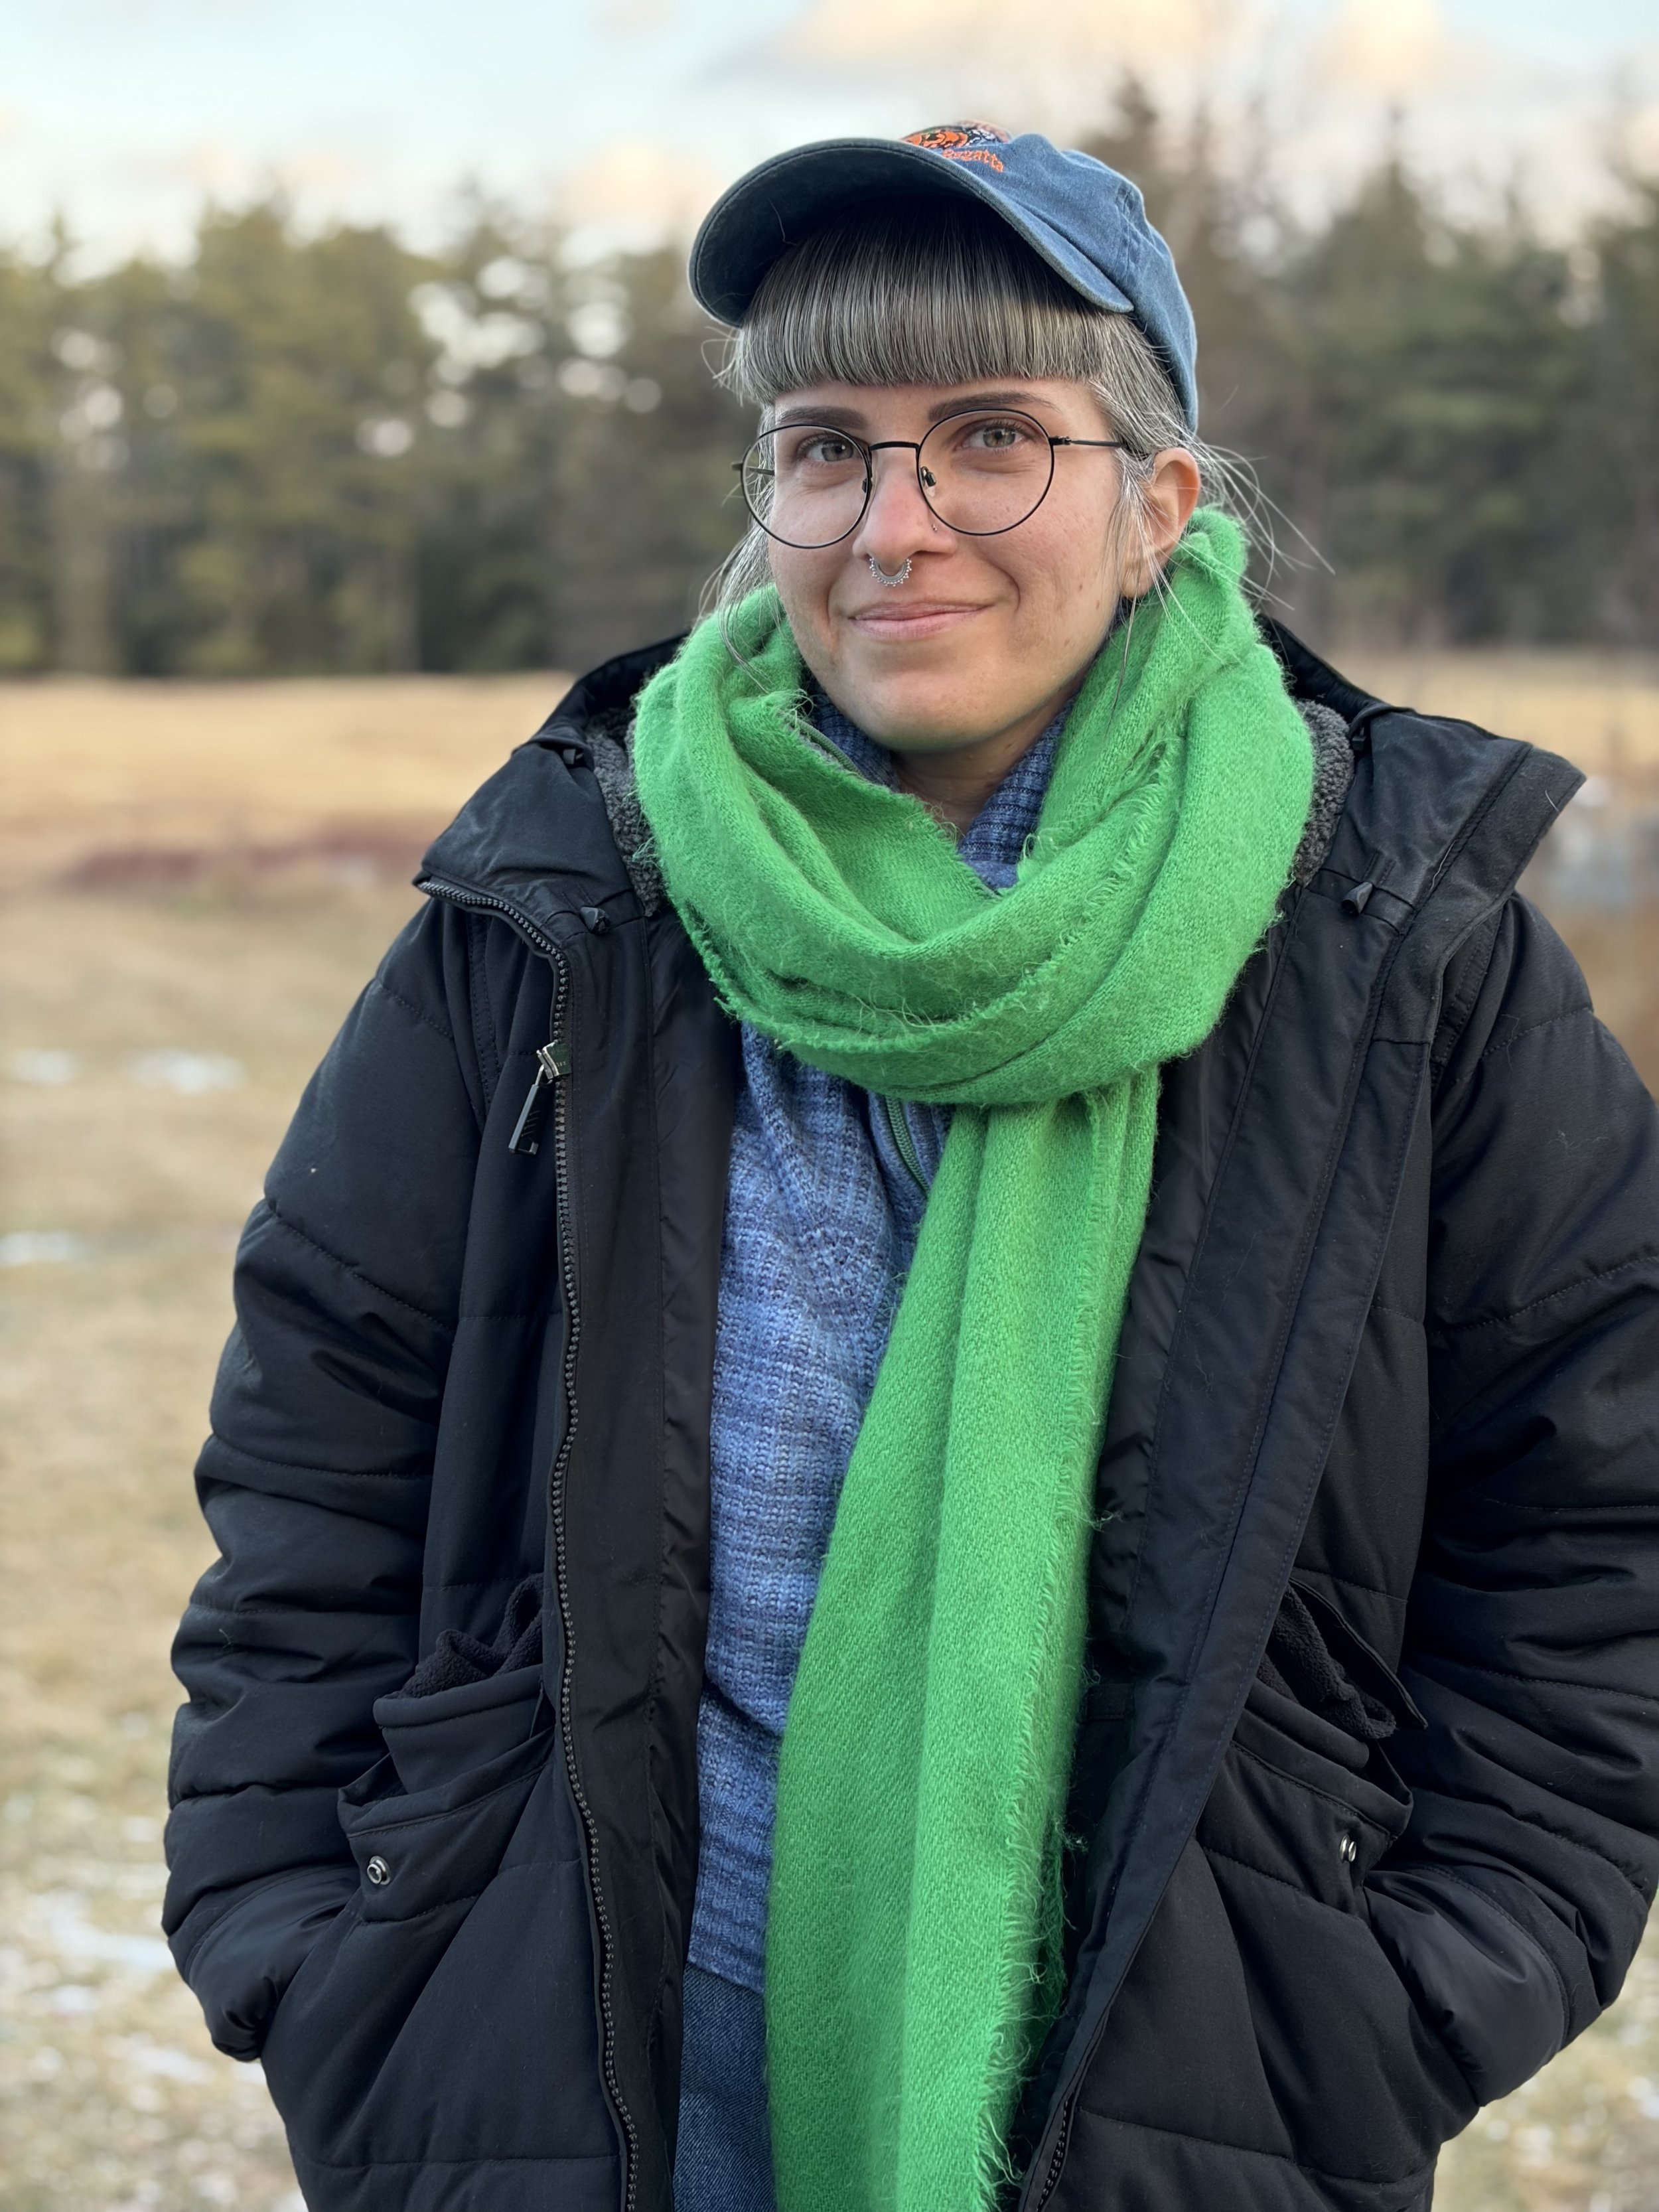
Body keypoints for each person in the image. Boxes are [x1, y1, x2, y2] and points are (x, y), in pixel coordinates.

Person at [163, 124, 1659, 2212]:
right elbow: (320, 1460)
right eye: (824, 447)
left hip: (1187, 2076)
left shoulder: (1400, 942)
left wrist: (1383, 1997)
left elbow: (1593, 1521)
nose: (895, 523)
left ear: (1156, 505)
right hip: (583, 2067)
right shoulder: (561, 902)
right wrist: (331, 1960)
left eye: (990, 438)